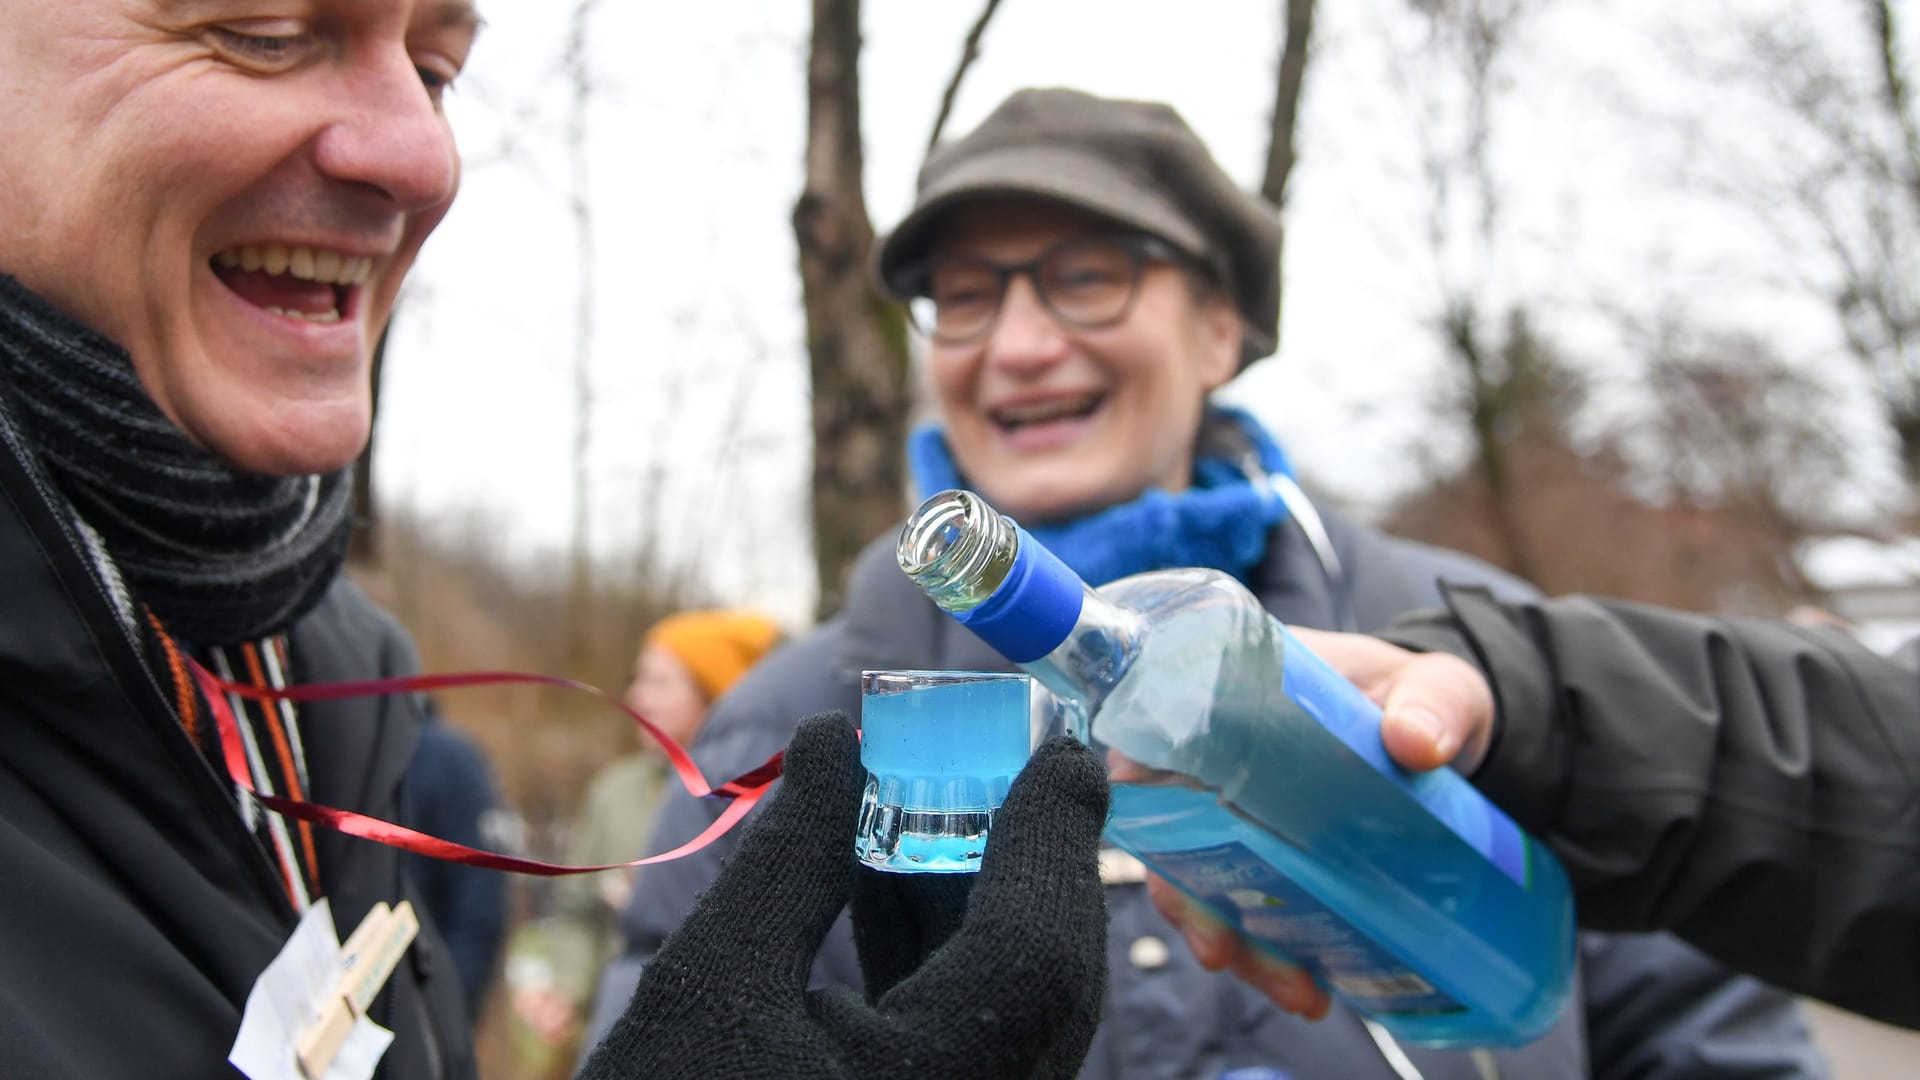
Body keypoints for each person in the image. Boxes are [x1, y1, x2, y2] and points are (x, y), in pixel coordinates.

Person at [594, 87, 1830, 1078]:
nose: (1018, 344)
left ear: (1224, 326)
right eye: (964, 298)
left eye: (1087, 275)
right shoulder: (797, 721)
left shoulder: (1470, 658)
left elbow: (1714, 1043)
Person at [1161, 585, 1920, 1031]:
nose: (1035, 348)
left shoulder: (1434, 589)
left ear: (1223, 328)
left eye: (1084, 297)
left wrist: (1531, 721)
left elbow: (1700, 1030)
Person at [513, 609, 783, 1054]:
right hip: (617, 1033)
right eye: (638, 680)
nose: (638, 696)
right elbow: (579, 913)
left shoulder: (760, 794)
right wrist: (566, 988)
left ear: (712, 693)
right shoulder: (614, 791)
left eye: (660, 683)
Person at [402, 695, 513, 1019]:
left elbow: (481, 904)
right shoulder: (337, 753)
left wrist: (447, 1015)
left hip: (429, 1007)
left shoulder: (448, 760)